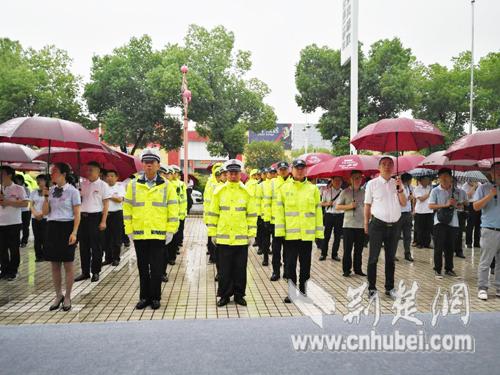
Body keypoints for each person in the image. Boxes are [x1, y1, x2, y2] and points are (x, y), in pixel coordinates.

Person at [124, 148, 179, 310]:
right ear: (143, 165)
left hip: (158, 234)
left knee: (156, 268)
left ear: (158, 166)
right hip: (140, 234)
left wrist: (171, 230)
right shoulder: (133, 185)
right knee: (142, 267)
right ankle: (144, 297)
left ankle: (155, 297)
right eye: (146, 163)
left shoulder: (167, 186)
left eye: (152, 163)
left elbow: (173, 209)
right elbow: (127, 209)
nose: (148, 166)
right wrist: (129, 230)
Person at [207, 159, 257, 307]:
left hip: (241, 239)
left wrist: (252, 234)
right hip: (223, 238)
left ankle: (239, 295)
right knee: (224, 270)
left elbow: (251, 215)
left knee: (240, 269)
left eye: (236, 172)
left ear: (240, 174)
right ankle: (224, 295)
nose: (233, 175)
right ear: (226, 174)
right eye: (231, 173)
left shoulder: (247, 192)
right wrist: (212, 233)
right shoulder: (219, 192)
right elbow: (213, 214)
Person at [274, 159, 323, 302]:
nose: (300, 170)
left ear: (305, 170)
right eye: (297, 168)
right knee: (289, 266)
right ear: (292, 170)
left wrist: (319, 234)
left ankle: (303, 291)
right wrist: (279, 234)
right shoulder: (283, 189)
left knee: (305, 266)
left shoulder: (313, 189)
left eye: (302, 168)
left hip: (306, 237)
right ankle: (292, 293)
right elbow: (279, 213)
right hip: (290, 236)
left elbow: (318, 213)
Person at [364, 157, 407, 300]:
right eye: (384, 164)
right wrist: (365, 223)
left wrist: (400, 189)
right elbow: (367, 205)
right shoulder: (372, 184)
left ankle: (390, 288)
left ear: (394, 167)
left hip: (394, 225)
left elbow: (403, 203)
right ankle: (371, 288)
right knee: (373, 258)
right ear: (379, 167)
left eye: (390, 164)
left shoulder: (398, 183)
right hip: (377, 225)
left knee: (390, 258)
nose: (387, 167)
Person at [42, 163, 81, 311]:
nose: (52, 175)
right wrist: (45, 198)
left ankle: (68, 296)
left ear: (64, 174)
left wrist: (74, 232)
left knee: (68, 264)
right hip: (52, 228)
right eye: (51, 172)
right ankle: (58, 295)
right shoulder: (50, 191)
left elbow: (77, 214)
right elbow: (45, 212)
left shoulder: (73, 191)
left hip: (67, 227)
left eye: (55, 172)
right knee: (55, 265)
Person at [75, 161, 111, 283]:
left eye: (92, 170)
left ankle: (95, 271)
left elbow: (106, 204)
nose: (88, 172)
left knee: (96, 247)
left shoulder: (103, 185)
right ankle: (85, 272)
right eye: (88, 169)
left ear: (98, 172)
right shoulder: (82, 184)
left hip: (96, 218)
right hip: (83, 218)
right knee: (83, 247)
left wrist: (103, 221)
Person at [428, 168, 464, 279]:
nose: (443, 178)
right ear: (438, 178)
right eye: (441, 176)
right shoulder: (435, 190)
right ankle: (437, 270)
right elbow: (431, 206)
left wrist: (456, 205)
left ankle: (449, 269)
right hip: (439, 221)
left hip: (453, 222)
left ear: (450, 177)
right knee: (438, 246)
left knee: (450, 247)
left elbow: (461, 206)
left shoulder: (456, 191)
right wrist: (445, 205)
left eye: (446, 176)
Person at [472, 163, 500, 301]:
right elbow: (476, 207)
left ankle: (499, 288)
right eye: (496, 170)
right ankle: (482, 287)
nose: (499, 172)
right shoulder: (483, 188)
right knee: (486, 261)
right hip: (489, 230)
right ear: (491, 173)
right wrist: (490, 195)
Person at [0, 166, 29, 281]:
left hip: (14, 223)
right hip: (0, 224)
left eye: (2, 174)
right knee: (1, 249)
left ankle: (13, 271)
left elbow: (25, 204)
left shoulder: (18, 189)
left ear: (9, 175)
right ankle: (4, 270)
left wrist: (8, 201)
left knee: (13, 248)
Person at [336, 170, 366, 277]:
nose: (358, 180)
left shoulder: (365, 192)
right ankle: (346, 270)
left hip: (361, 225)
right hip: (348, 225)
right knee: (347, 250)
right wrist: (349, 206)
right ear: (350, 179)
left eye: (360, 178)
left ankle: (358, 269)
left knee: (359, 250)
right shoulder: (345, 192)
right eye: (355, 178)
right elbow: (338, 207)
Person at [269, 161, 290, 278]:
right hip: (275, 222)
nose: (282, 171)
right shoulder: (272, 183)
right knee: (276, 250)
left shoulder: (293, 183)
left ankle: (287, 272)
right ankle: (275, 271)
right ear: (277, 171)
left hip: (289, 223)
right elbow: (267, 202)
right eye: (280, 169)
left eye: (284, 169)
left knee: (288, 251)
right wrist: (266, 219)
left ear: (288, 170)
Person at [103, 169, 125, 267]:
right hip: (105, 215)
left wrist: (108, 196)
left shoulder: (120, 187)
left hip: (117, 214)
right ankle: (108, 258)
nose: (110, 178)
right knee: (106, 238)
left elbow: (119, 199)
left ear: (116, 177)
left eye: (112, 176)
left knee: (117, 237)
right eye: (108, 176)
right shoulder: (103, 187)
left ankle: (116, 258)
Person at [319, 176, 343, 261]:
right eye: (336, 180)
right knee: (326, 236)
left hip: (340, 216)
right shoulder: (326, 191)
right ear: (332, 181)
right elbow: (321, 203)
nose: (337, 182)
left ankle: (334, 254)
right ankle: (323, 254)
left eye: (339, 181)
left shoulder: (343, 192)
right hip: (329, 215)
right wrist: (328, 203)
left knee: (337, 236)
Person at [30, 174, 50, 262]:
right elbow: (31, 205)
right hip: (35, 218)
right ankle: (38, 256)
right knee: (37, 237)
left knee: (46, 237)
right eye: (38, 180)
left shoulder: (50, 192)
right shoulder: (34, 192)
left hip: (46, 217)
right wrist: (35, 213)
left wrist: (41, 214)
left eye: (41, 180)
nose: (39, 182)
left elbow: (51, 205)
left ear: (46, 181)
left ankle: (47, 255)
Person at [396, 173, 414, 262]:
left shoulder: (410, 187)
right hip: (399, 214)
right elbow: (398, 200)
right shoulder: (399, 187)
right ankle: (393, 254)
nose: (411, 182)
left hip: (407, 214)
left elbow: (411, 200)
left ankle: (407, 253)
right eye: (410, 180)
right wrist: (407, 198)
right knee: (396, 235)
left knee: (408, 235)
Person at [260, 167, 276, 266]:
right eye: (271, 173)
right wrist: (259, 216)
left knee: (276, 243)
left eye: (274, 173)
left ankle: (276, 260)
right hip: (264, 217)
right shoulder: (261, 185)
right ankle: (265, 258)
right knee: (266, 241)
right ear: (267, 174)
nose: (272, 174)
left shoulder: (279, 185)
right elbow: (258, 201)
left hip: (276, 218)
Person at [413, 176, 434, 249]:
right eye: (425, 179)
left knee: (428, 228)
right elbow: (421, 199)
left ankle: (427, 243)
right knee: (420, 228)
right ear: (421, 180)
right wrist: (429, 194)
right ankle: (419, 243)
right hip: (420, 211)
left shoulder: (430, 188)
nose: (427, 181)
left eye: (428, 179)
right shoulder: (417, 189)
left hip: (429, 210)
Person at [13, 174, 31, 248]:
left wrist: (18, 200)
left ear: (21, 180)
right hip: (16, 210)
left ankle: (24, 241)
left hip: (25, 211)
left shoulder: (26, 189)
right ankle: (16, 241)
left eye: (19, 180)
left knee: (25, 227)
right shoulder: (13, 189)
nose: (17, 182)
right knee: (17, 227)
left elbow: (26, 200)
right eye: (16, 181)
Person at [462, 180, 481, 248]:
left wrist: (477, 186)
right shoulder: (465, 185)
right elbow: (467, 197)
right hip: (470, 205)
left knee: (478, 225)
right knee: (470, 224)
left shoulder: (480, 184)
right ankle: (469, 242)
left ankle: (477, 242)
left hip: (478, 204)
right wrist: (473, 187)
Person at [453, 179, 468, 259]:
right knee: (451, 233)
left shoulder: (462, 191)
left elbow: (467, 202)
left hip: (460, 214)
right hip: (451, 214)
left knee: (459, 233)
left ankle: (459, 251)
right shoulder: (447, 192)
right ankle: (449, 250)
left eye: (454, 182)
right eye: (451, 182)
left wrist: (462, 202)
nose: (453, 183)